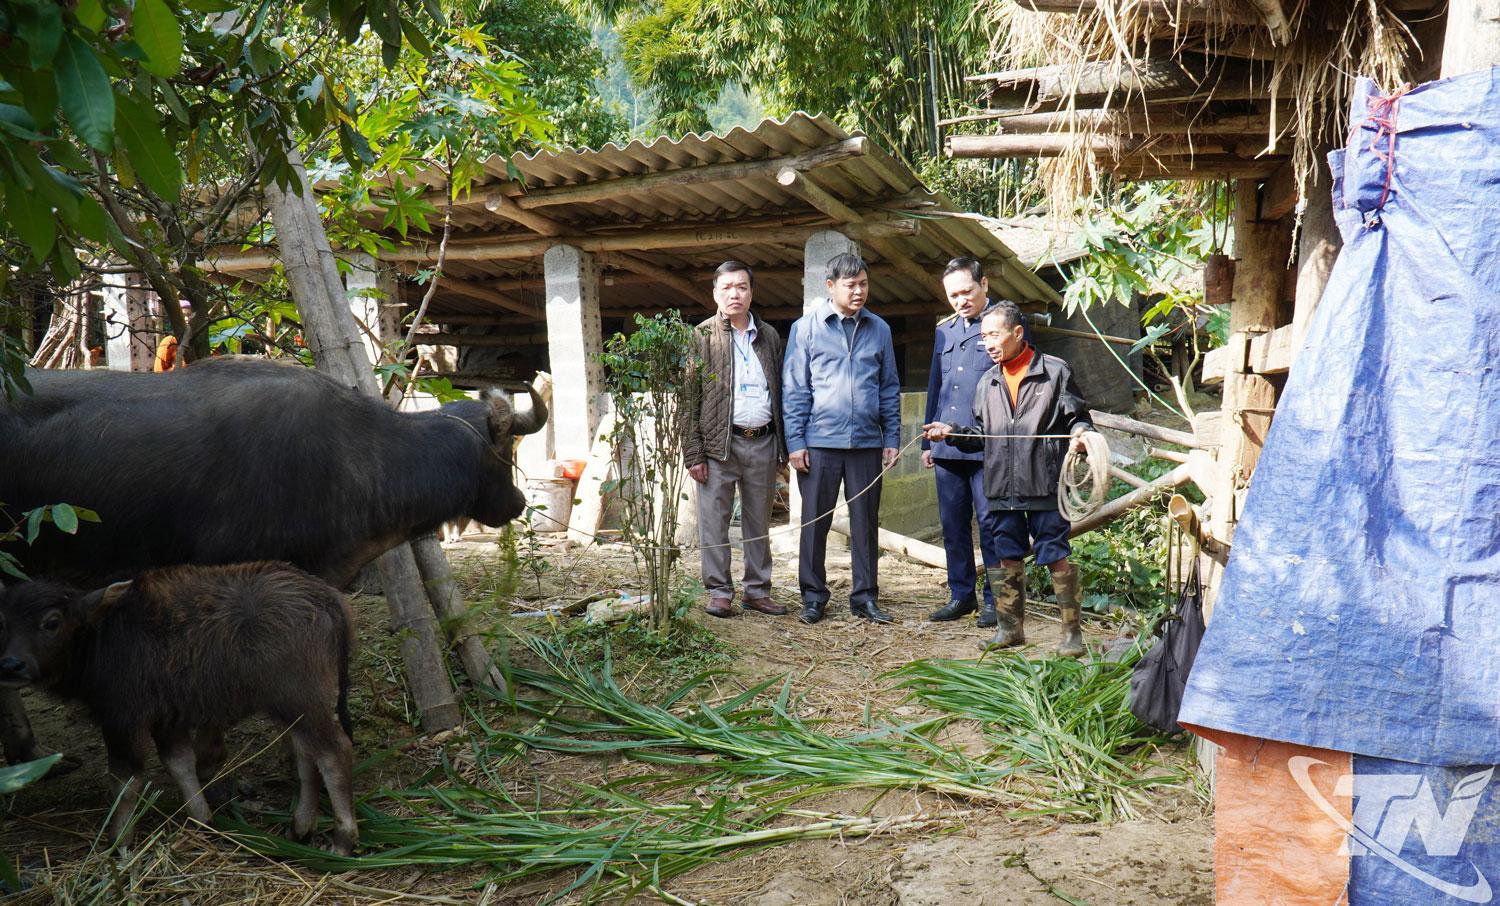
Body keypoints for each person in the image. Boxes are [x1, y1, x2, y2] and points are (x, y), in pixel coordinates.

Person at [922, 299, 1099, 657]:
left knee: (1055, 553)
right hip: (1001, 483)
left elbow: (1078, 418)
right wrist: (951, 432)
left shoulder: (1054, 372)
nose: (987, 343)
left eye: (994, 335)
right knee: (1006, 554)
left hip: (1044, 481)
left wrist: (1082, 434)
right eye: (984, 336)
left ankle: (1072, 634)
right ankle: (1009, 629)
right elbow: (981, 434)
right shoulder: (988, 381)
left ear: (1017, 333)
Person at [782, 253, 901, 625]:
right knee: (814, 523)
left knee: (865, 523)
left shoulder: (879, 329)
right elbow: (795, 390)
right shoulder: (806, 329)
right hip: (819, 443)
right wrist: (795, 442)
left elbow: (888, 388)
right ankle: (813, 597)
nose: (859, 291)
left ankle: (865, 597)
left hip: (866, 442)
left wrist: (891, 437)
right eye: (851, 285)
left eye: (863, 284)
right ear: (830, 286)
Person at [684, 261, 789, 619]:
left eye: (742, 287)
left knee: (758, 521)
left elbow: (780, 391)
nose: (735, 294)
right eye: (727, 287)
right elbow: (688, 398)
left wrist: (782, 445)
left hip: (762, 440)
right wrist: (693, 453)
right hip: (718, 445)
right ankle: (719, 591)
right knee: (714, 520)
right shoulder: (701, 336)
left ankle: (757, 591)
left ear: (751, 293)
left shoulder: (769, 336)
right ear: (715, 293)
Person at [922, 257, 1007, 628]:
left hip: (987, 444)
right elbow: (935, 387)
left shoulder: (1003, 325)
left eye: (967, 292)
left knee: (990, 524)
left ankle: (996, 599)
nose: (961, 300)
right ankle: (961, 594)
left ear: (983, 284)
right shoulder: (945, 331)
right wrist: (927, 443)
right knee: (953, 525)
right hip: (946, 446)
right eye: (953, 295)